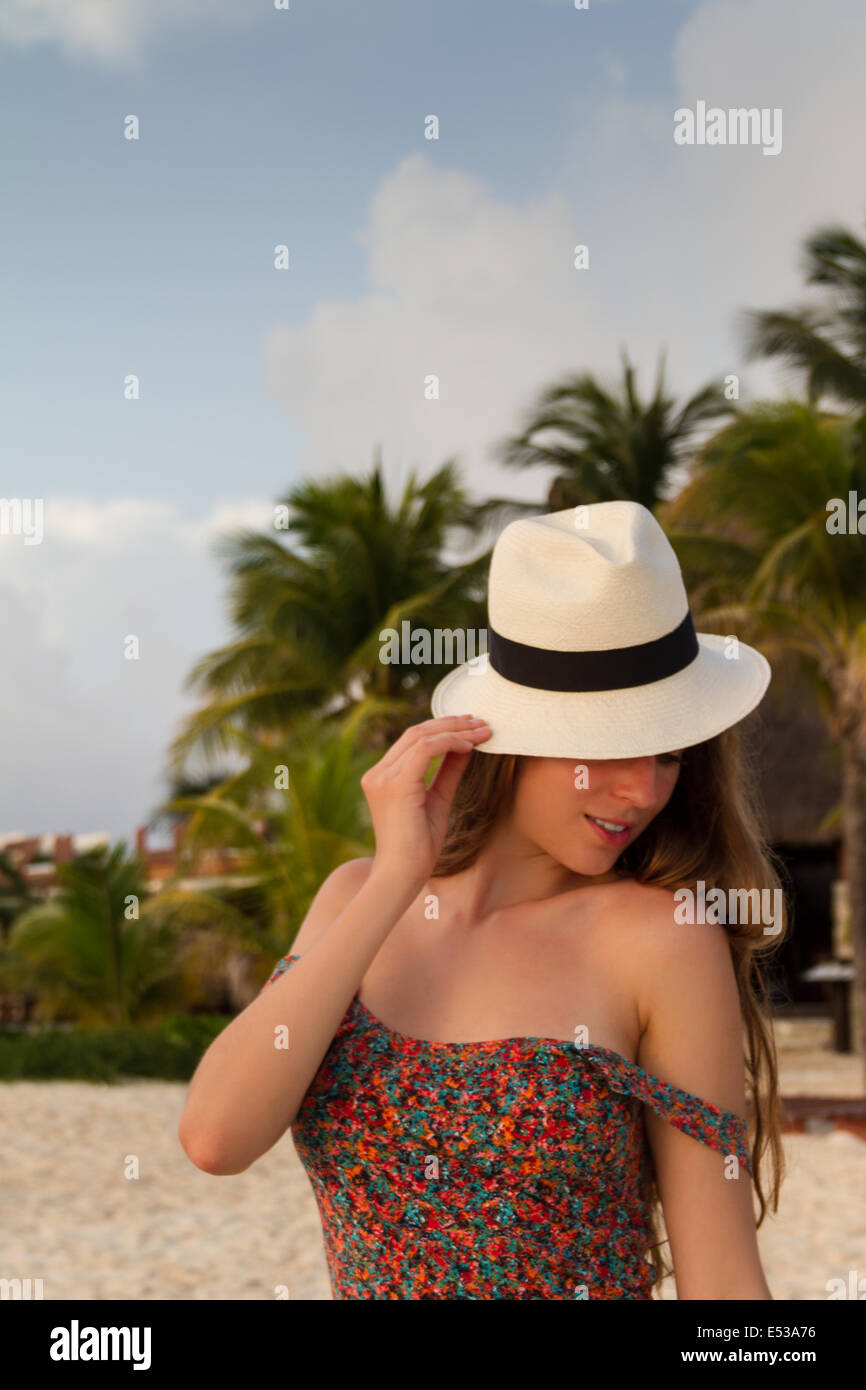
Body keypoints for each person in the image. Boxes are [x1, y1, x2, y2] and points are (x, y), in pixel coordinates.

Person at [178, 500, 786, 1300]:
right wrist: (398, 877)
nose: (643, 789)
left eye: (670, 753)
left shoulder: (659, 938)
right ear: (511, 734)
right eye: (606, 746)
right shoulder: (359, 898)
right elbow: (217, 1137)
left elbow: (723, 1288)